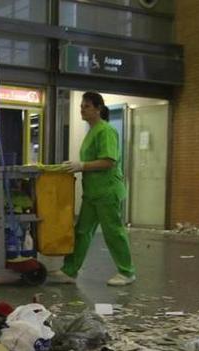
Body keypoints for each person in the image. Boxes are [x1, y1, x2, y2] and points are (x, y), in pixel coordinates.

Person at [48, 92, 136, 286]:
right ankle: (70, 270)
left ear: (98, 108)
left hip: (107, 192)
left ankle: (126, 272)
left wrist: (82, 166)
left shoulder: (106, 131)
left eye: (86, 106)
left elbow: (108, 161)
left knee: (113, 232)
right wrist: (75, 165)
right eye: (81, 106)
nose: (82, 109)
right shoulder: (92, 131)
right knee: (82, 231)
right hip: (92, 193)